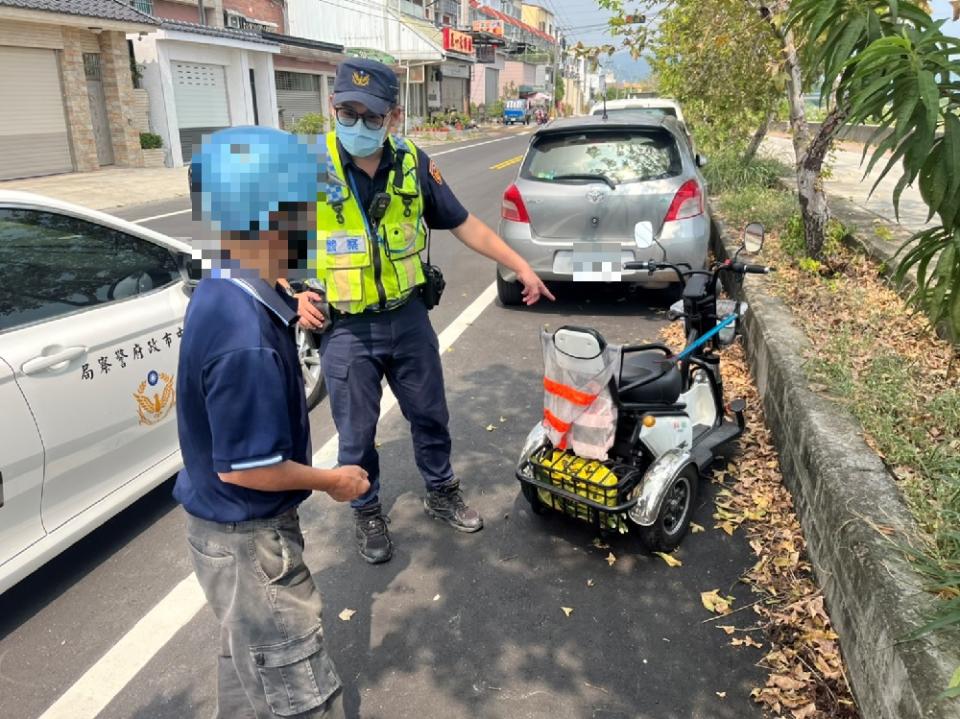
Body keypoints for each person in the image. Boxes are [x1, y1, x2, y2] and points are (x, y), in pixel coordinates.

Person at [291, 58, 555, 565]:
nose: (358, 125)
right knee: (357, 434)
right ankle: (366, 509)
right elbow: (263, 247)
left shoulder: (412, 162)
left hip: (408, 319)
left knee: (430, 414)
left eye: (371, 117)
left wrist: (519, 264)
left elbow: (463, 223)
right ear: (333, 107)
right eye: (348, 112)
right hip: (347, 328)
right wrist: (293, 293)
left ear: (392, 117)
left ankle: (441, 490)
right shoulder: (306, 171)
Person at [175, 126, 369, 718]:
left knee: (248, 662)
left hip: (219, 535)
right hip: (248, 542)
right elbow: (248, 471)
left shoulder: (231, 281)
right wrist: (335, 481)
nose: (314, 225)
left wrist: (292, 294)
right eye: (304, 210)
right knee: (298, 687)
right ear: (269, 217)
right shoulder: (246, 338)